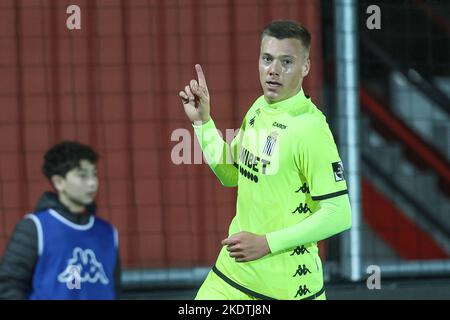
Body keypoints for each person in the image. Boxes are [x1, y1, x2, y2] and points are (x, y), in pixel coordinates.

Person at [178, 20, 352, 300]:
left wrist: (267, 243)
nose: (273, 70)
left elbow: (339, 214)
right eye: (267, 59)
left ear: (305, 67)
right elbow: (230, 173)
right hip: (231, 276)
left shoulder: (310, 130)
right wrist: (203, 124)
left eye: (286, 62)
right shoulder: (259, 107)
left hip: (288, 289)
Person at [0, 141, 121, 299]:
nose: (92, 183)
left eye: (94, 174)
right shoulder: (35, 227)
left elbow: (115, 289)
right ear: (58, 182)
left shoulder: (108, 233)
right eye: (82, 175)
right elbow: (8, 284)